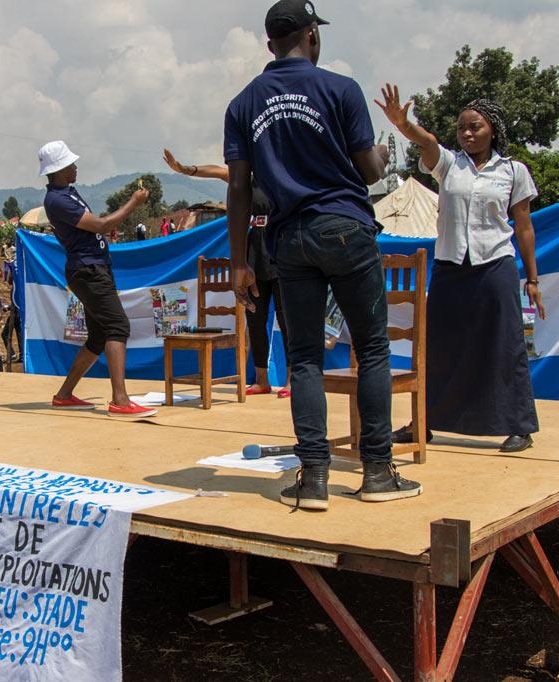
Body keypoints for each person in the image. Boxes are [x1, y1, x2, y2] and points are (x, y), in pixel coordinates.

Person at [224, 0, 421, 510]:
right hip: (345, 229)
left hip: (288, 240)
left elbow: (238, 188)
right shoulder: (341, 89)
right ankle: (376, 473)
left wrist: (240, 263)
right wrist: (381, 154)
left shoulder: (243, 105)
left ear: (270, 44)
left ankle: (313, 479)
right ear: (312, 35)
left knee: (305, 357)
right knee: (372, 349)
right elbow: (370, 171)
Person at [377, 86, 543, 453]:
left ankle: (519, 426)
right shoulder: (449, 164)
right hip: (451, 266)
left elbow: (524, 227)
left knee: (505, 345)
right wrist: (403, 125)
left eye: (475, 127)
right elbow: (427, 142)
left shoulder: (513, 171)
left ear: (493, 130)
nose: (467, 133)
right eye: (462, 128)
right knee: (437, 347)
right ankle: (423, 422)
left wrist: (532, 278)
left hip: (495, 265)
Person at [162, 148, 292, 398]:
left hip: (280, 249)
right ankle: (262, 380)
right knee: (255, 317)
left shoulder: (284, 176)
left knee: (287, 320)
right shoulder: (249, 178)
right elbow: (219, 172)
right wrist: (186, 169)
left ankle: (292, 380)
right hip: (254, 253)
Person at [39, 140, 156, 417]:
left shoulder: (66, 193)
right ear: (59, 169)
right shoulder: (58, 200)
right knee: (117, 326)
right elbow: (102, 224)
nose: (75, 167)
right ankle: (120, 400)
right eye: (71, 164)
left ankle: (64, 395)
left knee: (99, 336)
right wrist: (134, 202)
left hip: (92, 267)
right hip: (88, 270)